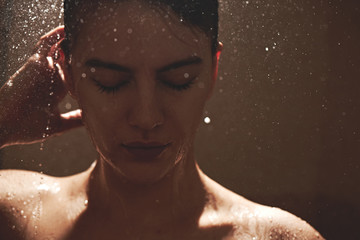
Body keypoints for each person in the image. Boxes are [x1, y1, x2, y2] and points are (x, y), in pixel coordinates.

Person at [0, 0, 324, 239]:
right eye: (110, 80)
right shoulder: (13, 213)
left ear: (212, 71)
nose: (146, 117)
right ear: (68, 74)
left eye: (179, 79)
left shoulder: (278, 237)